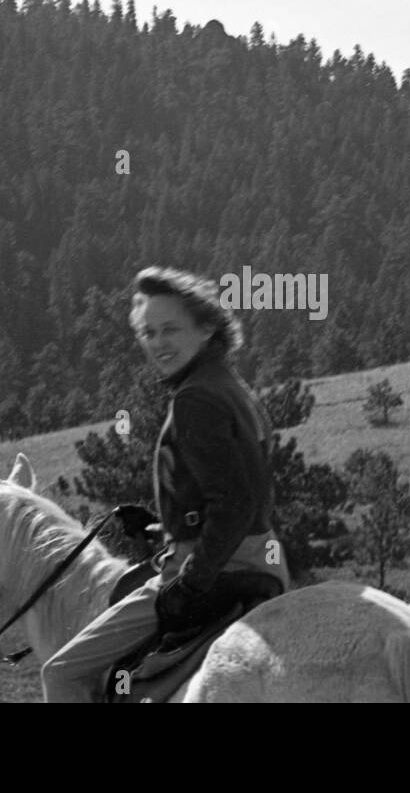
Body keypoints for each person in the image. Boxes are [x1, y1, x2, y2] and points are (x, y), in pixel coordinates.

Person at [42, 265, 290, 703]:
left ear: (207, 327)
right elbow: (242, 490)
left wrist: (190, 582)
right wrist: (166, 528)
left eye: (170, 329)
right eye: (149, 332)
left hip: (219, 569)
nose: (158, 343)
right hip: (265, 562)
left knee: (62, 672)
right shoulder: (231, 384)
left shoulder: (194, 398)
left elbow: (234, 503)